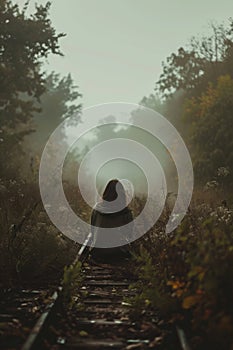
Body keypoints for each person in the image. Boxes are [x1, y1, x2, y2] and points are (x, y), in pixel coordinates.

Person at [90, 179, 134, 260]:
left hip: (98, 252)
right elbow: (129, 235)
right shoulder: (126, 212)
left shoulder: (96, 209)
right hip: (119, 253)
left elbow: (93, 231)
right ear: (122, 194)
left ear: (105, 192)